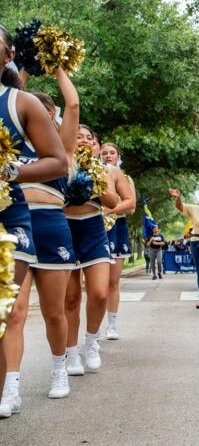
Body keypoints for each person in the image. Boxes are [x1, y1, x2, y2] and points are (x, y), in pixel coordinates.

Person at [0, 30, 69, 416]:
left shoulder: (21, 103)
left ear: (8, 55)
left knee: (8, 310)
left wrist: (8, 169)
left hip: (13, 218)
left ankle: (15, 387)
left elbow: (58, 162)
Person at [63, 126, 120, 377]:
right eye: (79, 136)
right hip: (65, 228)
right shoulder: (60, 161)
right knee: (72, 298)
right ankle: (71, 351)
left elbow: (113, 202)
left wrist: (93, 182)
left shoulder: (103, 169)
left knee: (98, 292)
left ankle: (91, 342)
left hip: (93, 228)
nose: (85, 141)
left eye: (89, 138)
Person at [100, 143, 136, 340]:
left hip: (117, 228)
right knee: (96, 283)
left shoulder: (125, 177)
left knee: (113, 281)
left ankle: (112, 325)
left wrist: (110, 209)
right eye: (104, 152)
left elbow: (131, 207)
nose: (108, 155)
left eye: (112, 152)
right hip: (95, 227)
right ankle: (94, 327)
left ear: (118, 156)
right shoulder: (93, 173)